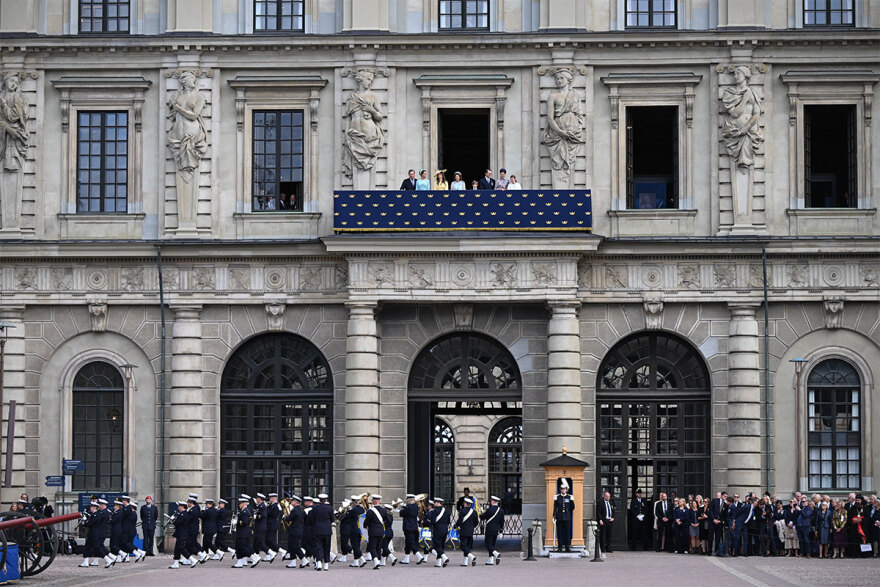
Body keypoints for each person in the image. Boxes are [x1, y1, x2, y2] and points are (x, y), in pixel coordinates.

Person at [543, 67, 584, 188]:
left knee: (571, 161)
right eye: (557, 78)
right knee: (558, 161)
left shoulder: (575, 95)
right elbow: (550, 119)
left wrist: (576, 128)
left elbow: (578, 115)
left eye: (562, 78)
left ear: (568, 79)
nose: (559, 80)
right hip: (557, 134)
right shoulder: (553, 96)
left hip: (573, 133)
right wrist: (561, 132)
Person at [309, 493, 334, 571]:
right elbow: (332, 519)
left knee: (318, 547)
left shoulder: (315, 508)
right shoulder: (330, 508)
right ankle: (326, 565)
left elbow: (311, 520)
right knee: (327, 547)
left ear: (319, 500)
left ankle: (319, 563)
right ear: (326, 500)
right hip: (327, 530)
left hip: (317, 530)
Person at [232, 496, 258, 568]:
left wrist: (236, 522)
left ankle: (254, 558)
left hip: (243, 532)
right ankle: (239, 562)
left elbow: (245, 522)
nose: (239, 505)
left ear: (243, 504)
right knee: (239, 547)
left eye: (240, 504)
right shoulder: (245, 510)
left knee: (243, 547)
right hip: (244, 532)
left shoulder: (244, 511)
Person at [480, 495, 504, 565]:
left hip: (489, 529)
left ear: (493, 501)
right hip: (496, 530)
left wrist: (481, 513)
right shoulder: (501, 511)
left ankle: (496, 554)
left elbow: (482, 518)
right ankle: (491, 560)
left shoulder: (489, 510)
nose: (490, 501)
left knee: (487, 544)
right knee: (492, 545)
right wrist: (501, 531)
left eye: (491, 500)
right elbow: (502, 522)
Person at [427, 497, 450, 567]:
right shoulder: (447, 511)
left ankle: (444, 557)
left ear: (438, 503)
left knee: (437, 545)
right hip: (445, 529)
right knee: (441, 545)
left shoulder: (435, 511)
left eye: (435, 502)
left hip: (437, 530)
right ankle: (438, 562)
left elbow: (433, 521)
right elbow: (448, 521)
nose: (434, 504)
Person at [283, 495, 306, 568]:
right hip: (295, 531)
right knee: (291, 546)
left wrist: (284, 517)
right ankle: (293, 562)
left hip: (295, 531)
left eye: (292, 501)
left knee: (295, 546)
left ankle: (303, 559)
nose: (291, 502)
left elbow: (289, 519)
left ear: (296, 502)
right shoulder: (298, 509)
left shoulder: (295, 510)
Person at [455, 497, 478, 567]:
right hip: (470, 531)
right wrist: (471, 527)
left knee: (463, 546)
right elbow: (476, 523)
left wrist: (456, 525)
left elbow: (460, 521)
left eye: (464, 503)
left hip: (464, 531)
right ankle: (465, 562)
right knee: (467, 546)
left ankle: (471, 557)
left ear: (466, 504)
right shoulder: (474, 512)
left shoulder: (462, 511)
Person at [345, 495, 367, 567]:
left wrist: (348, 510)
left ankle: (362, 559)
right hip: (360, 530)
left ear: (353, 502)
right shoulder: (362, 509)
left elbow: (347, 518)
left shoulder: (352, 510)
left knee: (355, 546)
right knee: (357, 545)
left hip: (353, 529)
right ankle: (355, 562)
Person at [365, 495, 386, 570]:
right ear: (379, 501)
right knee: (379, 547)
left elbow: (366, 521)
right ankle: (379, 562)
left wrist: (365, 526)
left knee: (372, 547)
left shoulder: (370, 511)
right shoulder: (384, 510)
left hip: (373, 531)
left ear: (373, 501)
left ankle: (376, 561)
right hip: (381, 531)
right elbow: (388, 520)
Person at [169, 501, 191, 569]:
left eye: (179, 506)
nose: (178, 507)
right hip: (180, 533)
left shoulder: (183, 514)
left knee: (181, 548)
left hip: (182, 533)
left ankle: (192, 559)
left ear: (182, 507)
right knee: (177, 549)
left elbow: (177, 523)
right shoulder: (183, 514)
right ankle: (176, 563)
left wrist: (173, 520)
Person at [399, 494, 421, 564]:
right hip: (414, 526)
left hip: (408, 527)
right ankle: (406, 558)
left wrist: (403, 507)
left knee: (411, 542)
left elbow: (401, 513)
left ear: (409, 499)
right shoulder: (416, 506)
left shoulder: (408, 507)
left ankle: (419, 556)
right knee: (408, 543)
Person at [263, 493, 284, 562]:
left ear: (274, 498)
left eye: (270, 498)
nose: (269, 499)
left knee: (270, 540)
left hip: (272, 524)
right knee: (267, 540)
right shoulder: (272, 505)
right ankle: (268, 555)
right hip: (270, 524)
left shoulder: (275, 505)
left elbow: (271, 513)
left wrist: (265, 507)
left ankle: (281, 551)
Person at [595, 490, 613, 554]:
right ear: (604, 496)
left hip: (609, 520)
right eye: (607, 496)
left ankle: (608, 547)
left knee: (609, 535)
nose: (608, 497)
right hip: (603, 520)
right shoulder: (600, 502)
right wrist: (600, 520)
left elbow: (613, 510)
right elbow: (598, 512)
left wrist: (613, 517)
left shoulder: (611, 502)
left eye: (609, 496)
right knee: (602, 535)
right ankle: (602, 548)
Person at [252, 493, 268, 560]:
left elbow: (263, 515)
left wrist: (256, 517)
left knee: (260, 541)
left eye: (257, 498)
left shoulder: (262, 506)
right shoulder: (259, 505)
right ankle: (257, 555)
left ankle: (270, 552)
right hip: (258, 526)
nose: (256, 499)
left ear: (260, 499)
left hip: (260, 526)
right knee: (256, 542)